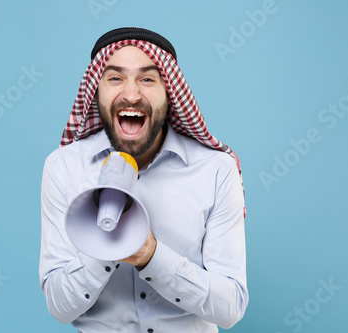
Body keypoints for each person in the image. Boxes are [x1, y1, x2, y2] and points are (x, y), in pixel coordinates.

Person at [39, 27, 248, 332]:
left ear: (170, 93)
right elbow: (59, 306)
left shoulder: (216, 170)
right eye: (114, 78)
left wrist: (151, 256)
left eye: (147, 79)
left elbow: (230, 308)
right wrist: (105, 248)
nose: (132, 94)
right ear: (96, 90)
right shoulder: (63, 168)